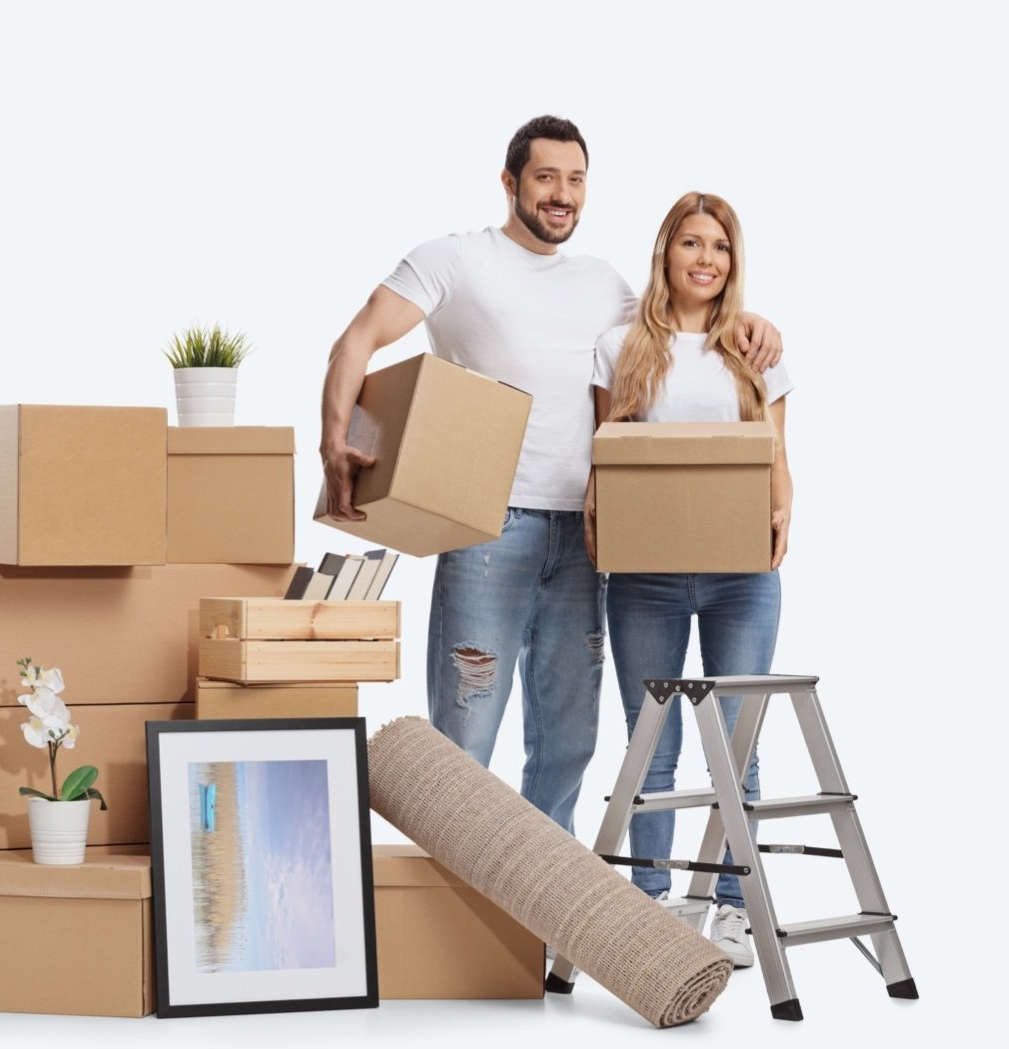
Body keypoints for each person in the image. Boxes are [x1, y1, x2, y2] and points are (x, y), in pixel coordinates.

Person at [320, 117, 782, 832]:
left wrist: (752, 322)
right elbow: (356, 340)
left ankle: (537, 924)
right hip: (487, 530)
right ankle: (452, 915)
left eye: (575, 180)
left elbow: (682, 323)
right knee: (465, 737)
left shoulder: (604, 284)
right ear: (510, 183)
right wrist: (334, 439)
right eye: (545, 178)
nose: (562, 195)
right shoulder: (452, 260)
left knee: (567, 743)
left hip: (588, 540)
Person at [586, 191, 793, 967]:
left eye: (720, 247)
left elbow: (778, 457)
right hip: (646, 576)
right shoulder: (620, 348)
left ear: (732, 261)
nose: (706, 259)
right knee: (652, 743)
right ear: (665, 254)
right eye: (691, 243)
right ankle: (647, 904)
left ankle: (736, 908)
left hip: (741, 575)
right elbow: (603, 457)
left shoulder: (755, 348)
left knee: (738, 747)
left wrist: (782, 513)